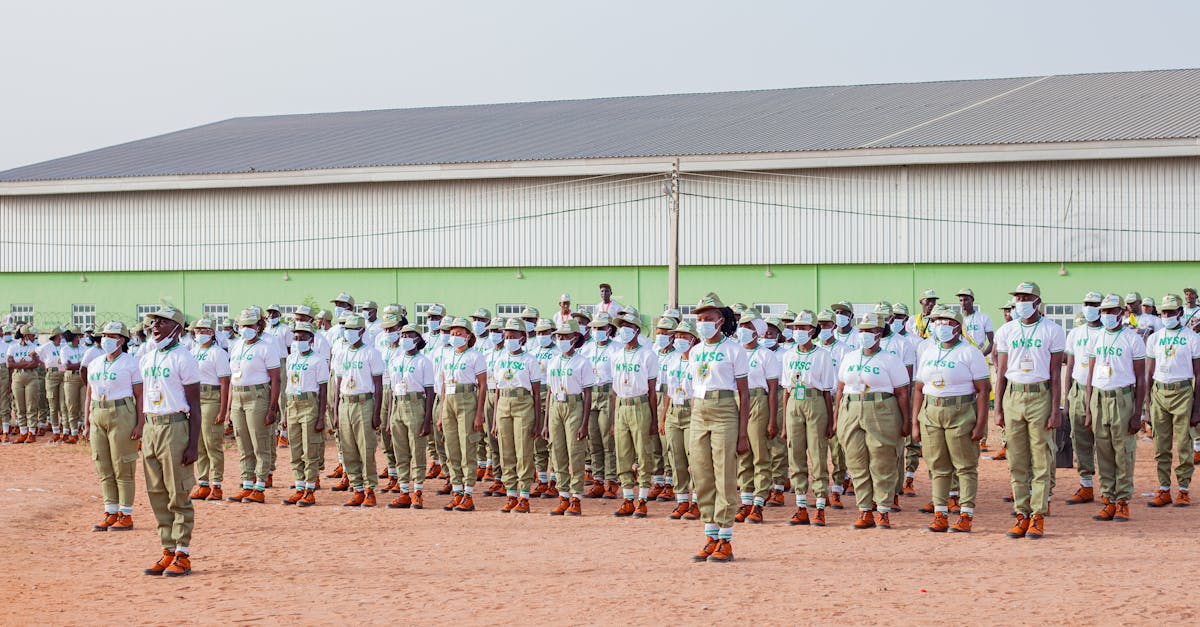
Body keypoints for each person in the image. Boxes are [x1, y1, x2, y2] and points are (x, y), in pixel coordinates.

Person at [995, 282, 1065, 539]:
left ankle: (1038, 515)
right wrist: (999, 408)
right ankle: (1021, 514)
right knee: (1017, 459)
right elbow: (1001, 372)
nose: (1020, 301)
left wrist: (1056, 409)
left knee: (1041, 458)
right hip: (1014, 395)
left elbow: (1056, 373)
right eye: (1017, 297)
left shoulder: (1052, 330)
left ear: (1037, 300)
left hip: (1040, 395)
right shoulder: (1006, 330)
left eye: (1026, 297)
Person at [912, 306, 990, 533]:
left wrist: (981, 425)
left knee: (965, 467)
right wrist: (916, 422)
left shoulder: (969, 352)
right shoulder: (928, 352)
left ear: (957, 326)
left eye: (946, 322)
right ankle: (940, 514)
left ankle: (965, 515)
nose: (941, 326)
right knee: (938, 467)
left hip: (961, 412)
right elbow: (919, 388)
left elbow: (983, 390)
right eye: (937, 322)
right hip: (931, 413)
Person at [138, 306, 202, 577]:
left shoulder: (184, 358)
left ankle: (183, 553)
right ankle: (167, 550)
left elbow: (195, 405)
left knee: (178, 492)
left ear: (176, 328)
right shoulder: (147, 356)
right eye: (153, 322)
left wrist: (193, 445)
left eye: (162, 323)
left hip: (175, 427)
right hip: (152, 427)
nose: (155, 326)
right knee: (156, 493)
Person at [687, 293, 750, 563]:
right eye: (699, 319)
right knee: (701, 473)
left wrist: (743, 432)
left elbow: (745, 394)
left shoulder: (734, 349)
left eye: (708, 319)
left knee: (724, 473)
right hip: (699, 410)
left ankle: (725, 539)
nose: (702, 324)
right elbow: (694, 388)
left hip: (725, 409)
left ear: (720, 320)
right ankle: (710, 534)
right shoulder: (696, 351)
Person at [834, 313, 911, 529]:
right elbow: (840, 389)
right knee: (856, 460)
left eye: (869, 331)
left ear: (879, 333)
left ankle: (884, 510)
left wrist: (905, 421)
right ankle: (865, 510)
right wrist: (836, 418)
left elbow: (902, 393)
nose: (864, 334)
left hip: (881, 409)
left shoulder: (890, 359)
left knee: (881, 460)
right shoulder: (849, 357)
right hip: (851, 408)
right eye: (862, 331)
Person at [1084, 293, 1146, 522]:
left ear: (1122, 313)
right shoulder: (1096, 338)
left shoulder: (1132, 339)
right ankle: (1108, 500)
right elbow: (1090, 375)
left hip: (1123, 399)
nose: (1107, 315)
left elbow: (1141, 378)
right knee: (1103, 452)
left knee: (1124, 452)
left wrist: (1138, 413)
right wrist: (1089, 409)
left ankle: (1122, 501)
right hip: (1099, 398)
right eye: (1104, 311)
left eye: (1112, 311)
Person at [84, 321, 143, 532]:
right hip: (98, 413)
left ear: (122, 340)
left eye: (112, 336)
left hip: (122, 413)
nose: (106, 340)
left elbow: (139, 394)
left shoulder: (131, 363)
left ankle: (125, 514)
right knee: (103, 465)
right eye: (104, 336)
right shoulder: (95, 363)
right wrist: (86, 421)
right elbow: (89, 394)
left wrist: (140, 423)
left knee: (123, 466)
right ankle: (110, 511)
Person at [779, 310, 836, 527]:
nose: (798, 331)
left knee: (818, 454)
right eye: (796, 328)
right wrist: (784, 423)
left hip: (815, 400)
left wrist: (830, 421)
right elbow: (786, 390)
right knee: (796, 454)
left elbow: (827, 391)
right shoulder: (788, 354)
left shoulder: (822, 355)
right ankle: (801, 506)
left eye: (802, 328)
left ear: (812, 330)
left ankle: (820, 506)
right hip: (795, 400)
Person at [1144, 294, 1200, 507]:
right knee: (1161, 445)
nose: (1167, 315)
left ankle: (1184, 488)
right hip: (1159, 393)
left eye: (1171, 311)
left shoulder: (1192, 338)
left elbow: (1198, 374)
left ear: (1180, 313)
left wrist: (1197, 407)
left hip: (1183, 392)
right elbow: (1148, 373)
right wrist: (1147, 406)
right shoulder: (1154, 338)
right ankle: (1164, 488)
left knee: (1184, 443)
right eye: (1164, 312)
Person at [226, 309, 282, 504]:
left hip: (258, 396)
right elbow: (233, 378)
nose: (246, 329)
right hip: (238, 397)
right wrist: (228, 408)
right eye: (243, 325)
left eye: (250, 325)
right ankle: (247, 483)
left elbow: (276, 379)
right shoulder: (237, 346)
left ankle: (260, 485)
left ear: (259, 327)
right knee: (243, 443)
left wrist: (273, 408)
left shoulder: (266, 347)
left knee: (260, 442)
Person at [609, 312, 659, 517]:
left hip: (640, 404)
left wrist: (654, 420)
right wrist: (613, 418)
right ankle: (628, 498)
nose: (624, 330)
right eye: (621, 326)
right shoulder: (616, 355)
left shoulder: (647, 355)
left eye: (628, 326)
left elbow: (652, 388)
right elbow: (614, 389)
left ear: (637, 330)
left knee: (643, 452)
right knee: (623, 453)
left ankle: (643, 498)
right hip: (622, 404)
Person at [331, 315, 384, 506]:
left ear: (362, 331)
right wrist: (336, 411)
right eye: (346, 329)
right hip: (346, 402)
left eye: (353, 330)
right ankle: (357, 488)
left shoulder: (371, 353)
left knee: (365, 448)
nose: (348, 333)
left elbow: (378, 385)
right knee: (348, 448)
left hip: (364, 403)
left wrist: (377, 413)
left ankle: (370, 490)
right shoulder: (341, 353)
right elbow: (338, 384)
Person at [491, 317, 543, 512]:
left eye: (513, 336)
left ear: (522, 338)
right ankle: (511, 493)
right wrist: (495, 419)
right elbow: (496, 390)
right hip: (504, 403)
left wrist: (538, 421)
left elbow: (537, 394)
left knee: (523, 451)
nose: (508, 339)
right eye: (506, 336)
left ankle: (524, 496)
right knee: (506, 451)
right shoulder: (500, 359)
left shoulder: (530, 360)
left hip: (523, 403)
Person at [733, 310, 780, 524]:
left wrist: (772, 420)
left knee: (759, 453)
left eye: (749, 328)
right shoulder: (734, 351)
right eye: (742, 326)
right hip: (736, 401)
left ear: (757, 333)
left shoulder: (765, 355)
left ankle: (759, 502)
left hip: (758, 401)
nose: (743, 330)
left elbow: (772, 390)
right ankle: (745, 500)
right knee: (743, 453)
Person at [544, 320, 594, 516]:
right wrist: (547, 420)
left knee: (575, 453)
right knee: (558, 453)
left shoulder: (582, 362)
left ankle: (576, 498)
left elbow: (588, 393)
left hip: (574, 405)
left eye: (565, 336)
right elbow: (549, 392)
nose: (561, 339)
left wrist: (584, 423)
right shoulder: (554, 361)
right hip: (557, 405)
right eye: (559, 336)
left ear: (575, 338)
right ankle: (563, 496)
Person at [439, 317, 489, 512]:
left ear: (468, 336)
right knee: (451, 449)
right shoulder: (447, 355)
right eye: (452, 333)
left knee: (467, 446)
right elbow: (444, 385)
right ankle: (457, 492)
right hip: (449, 401)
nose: (455, 337)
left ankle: (468, 493)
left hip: (467, 399)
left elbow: (483, 385)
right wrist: (442, 410)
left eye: (459, 333)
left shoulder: (475, 356)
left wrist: (479, 414)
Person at [383, 323, 436, 509]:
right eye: (403, 335)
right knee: (400, 451)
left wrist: (427, 419)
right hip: (398, 404)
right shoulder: (395, 361)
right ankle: (404, 491)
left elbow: (430, 392)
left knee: (417, 451)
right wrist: (390, 416)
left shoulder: (424, 361)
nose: (405, 338)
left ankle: (418, 492)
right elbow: (390, 392)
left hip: (416, 405)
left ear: (417, 339)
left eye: (409, 335)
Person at [280, 322, 330, 507]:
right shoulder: (291, 359)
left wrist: (320, 417)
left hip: (310, 404)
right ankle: (299, 487)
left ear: (311, 339)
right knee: (295, 450)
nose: (299, 340)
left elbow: (323, 390)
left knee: (310, 449)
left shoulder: (318, 360)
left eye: (303, 337)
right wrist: (285, 414)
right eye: (296, 337)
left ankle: (310, 489)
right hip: (293, 403)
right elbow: (287, 388)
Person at [1063, 292, 1105, 504]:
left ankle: (1108, 488)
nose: (1090, 308)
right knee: (1079, 438)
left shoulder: (1107, 332)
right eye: (1087, 303)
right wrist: (1067, 395)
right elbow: (1070, 366)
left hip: (1102, 391)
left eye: (1095, 304)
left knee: (1104, 441)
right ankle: (1086, 485)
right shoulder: (1075, 333)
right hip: (1078, 389)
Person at [188, 318, 231, 502]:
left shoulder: (218, 353)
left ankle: (217, 484)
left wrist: (223, 410)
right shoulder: (193, 351)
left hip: (211, 398)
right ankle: (203, 483)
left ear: (212, 333)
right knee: (198, 444)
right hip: (196, 397)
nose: (200, 334)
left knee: (211, 442)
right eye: (198, 331)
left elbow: (224, 382)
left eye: (204, 330)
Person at [662, 322, 700, 520]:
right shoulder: (672, 360)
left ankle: (698, 501)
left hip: (692, 411)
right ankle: (682, 500)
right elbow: (669, 390)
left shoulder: (697, 360)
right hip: (673, 411)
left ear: (693, 339)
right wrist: (663, 417)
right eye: (677, 337)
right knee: (676, 457)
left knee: (694, 459)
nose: (679, 340)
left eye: (684, 337)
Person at [816, 309, 853, 507]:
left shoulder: (844, 350)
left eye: (826, 325)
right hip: (817, 400)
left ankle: (838, 486)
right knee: (818, 445)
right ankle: (821, 487)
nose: (823, 328)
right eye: (820, 325)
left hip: (835, 398)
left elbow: (843, 381)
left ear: (833, 326)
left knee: (837, 444)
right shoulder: (813, 348)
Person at [583, 313, 618, 499]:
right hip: (591, 393)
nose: (597, 331)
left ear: (609, 329)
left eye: (601, 328)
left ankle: (611, 480)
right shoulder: (587, 349)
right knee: (593, 439)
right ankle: (598, 479)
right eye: (594, 328)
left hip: (608, 392)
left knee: (607, 438)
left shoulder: (616, 349)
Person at [7, 325, 42, 443]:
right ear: (25, 336)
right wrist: (26, 364)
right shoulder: (13, 347)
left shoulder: (35, 347)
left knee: (31, 405)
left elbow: (35, 364)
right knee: (19, 406)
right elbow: (9, 365)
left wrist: (20, 364)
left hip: (31, 376)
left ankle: (31, 432)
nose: (33, 337)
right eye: (32, 335)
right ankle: (23, 432)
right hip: (17, 377)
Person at [59, 325, 88, 443]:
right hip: (70, 378)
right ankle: (74, 432)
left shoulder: (84, 348)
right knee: (71, 406)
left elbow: (86, 364)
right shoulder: (65, 349)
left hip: (83, 377)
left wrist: (77, 364)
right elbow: (67, 366)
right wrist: (80, 364)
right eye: (79, 336)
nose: (80, 338)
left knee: (84, 405)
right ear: (75, 337)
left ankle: (83, 431)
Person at [38, 326, 65, 441]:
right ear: (55, 337)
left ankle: (65, 429)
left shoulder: (65, 346)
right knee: (53, 405)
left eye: (61, 336)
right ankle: (55, 431)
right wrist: (45, 364)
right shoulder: (46, 347)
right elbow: (33, 354)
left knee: (64, 404)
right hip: (51, 376)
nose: (61, 338)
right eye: (59, 336)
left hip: (63, 375)